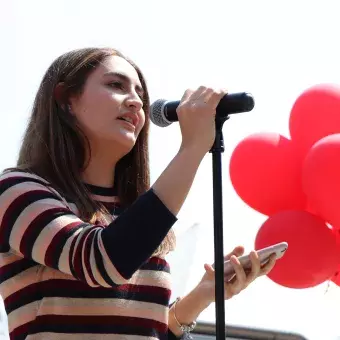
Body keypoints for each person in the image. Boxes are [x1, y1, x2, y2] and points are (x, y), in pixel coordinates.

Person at [0, 47, 276, 340]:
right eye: (116, 85)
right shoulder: (17, 191)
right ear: (66, 99)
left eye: (141, 97)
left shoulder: (135, 218)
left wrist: (202, 296)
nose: (135, 102)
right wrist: (193, 148)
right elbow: (101, 260)